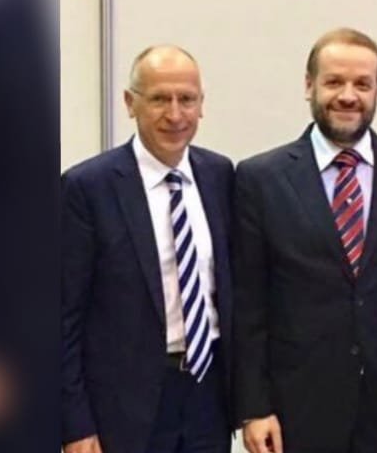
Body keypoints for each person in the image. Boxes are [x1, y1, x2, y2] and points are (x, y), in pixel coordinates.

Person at [234, 28, 377, 453]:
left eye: (362, 84)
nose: (348, 96)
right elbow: (249, 305)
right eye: (334, 81)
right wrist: (255, 407)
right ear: (309, 85)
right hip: (298, 411)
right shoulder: (261, 179)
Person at [61, 45, 234, 453]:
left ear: (201, 105)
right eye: (159, 99)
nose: (175, 114)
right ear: (129, 103)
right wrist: (74, 424)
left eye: (186, 99)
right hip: (124, 406)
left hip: (209, 397)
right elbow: (62, 317)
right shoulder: (88, 188)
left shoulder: (219, 175)